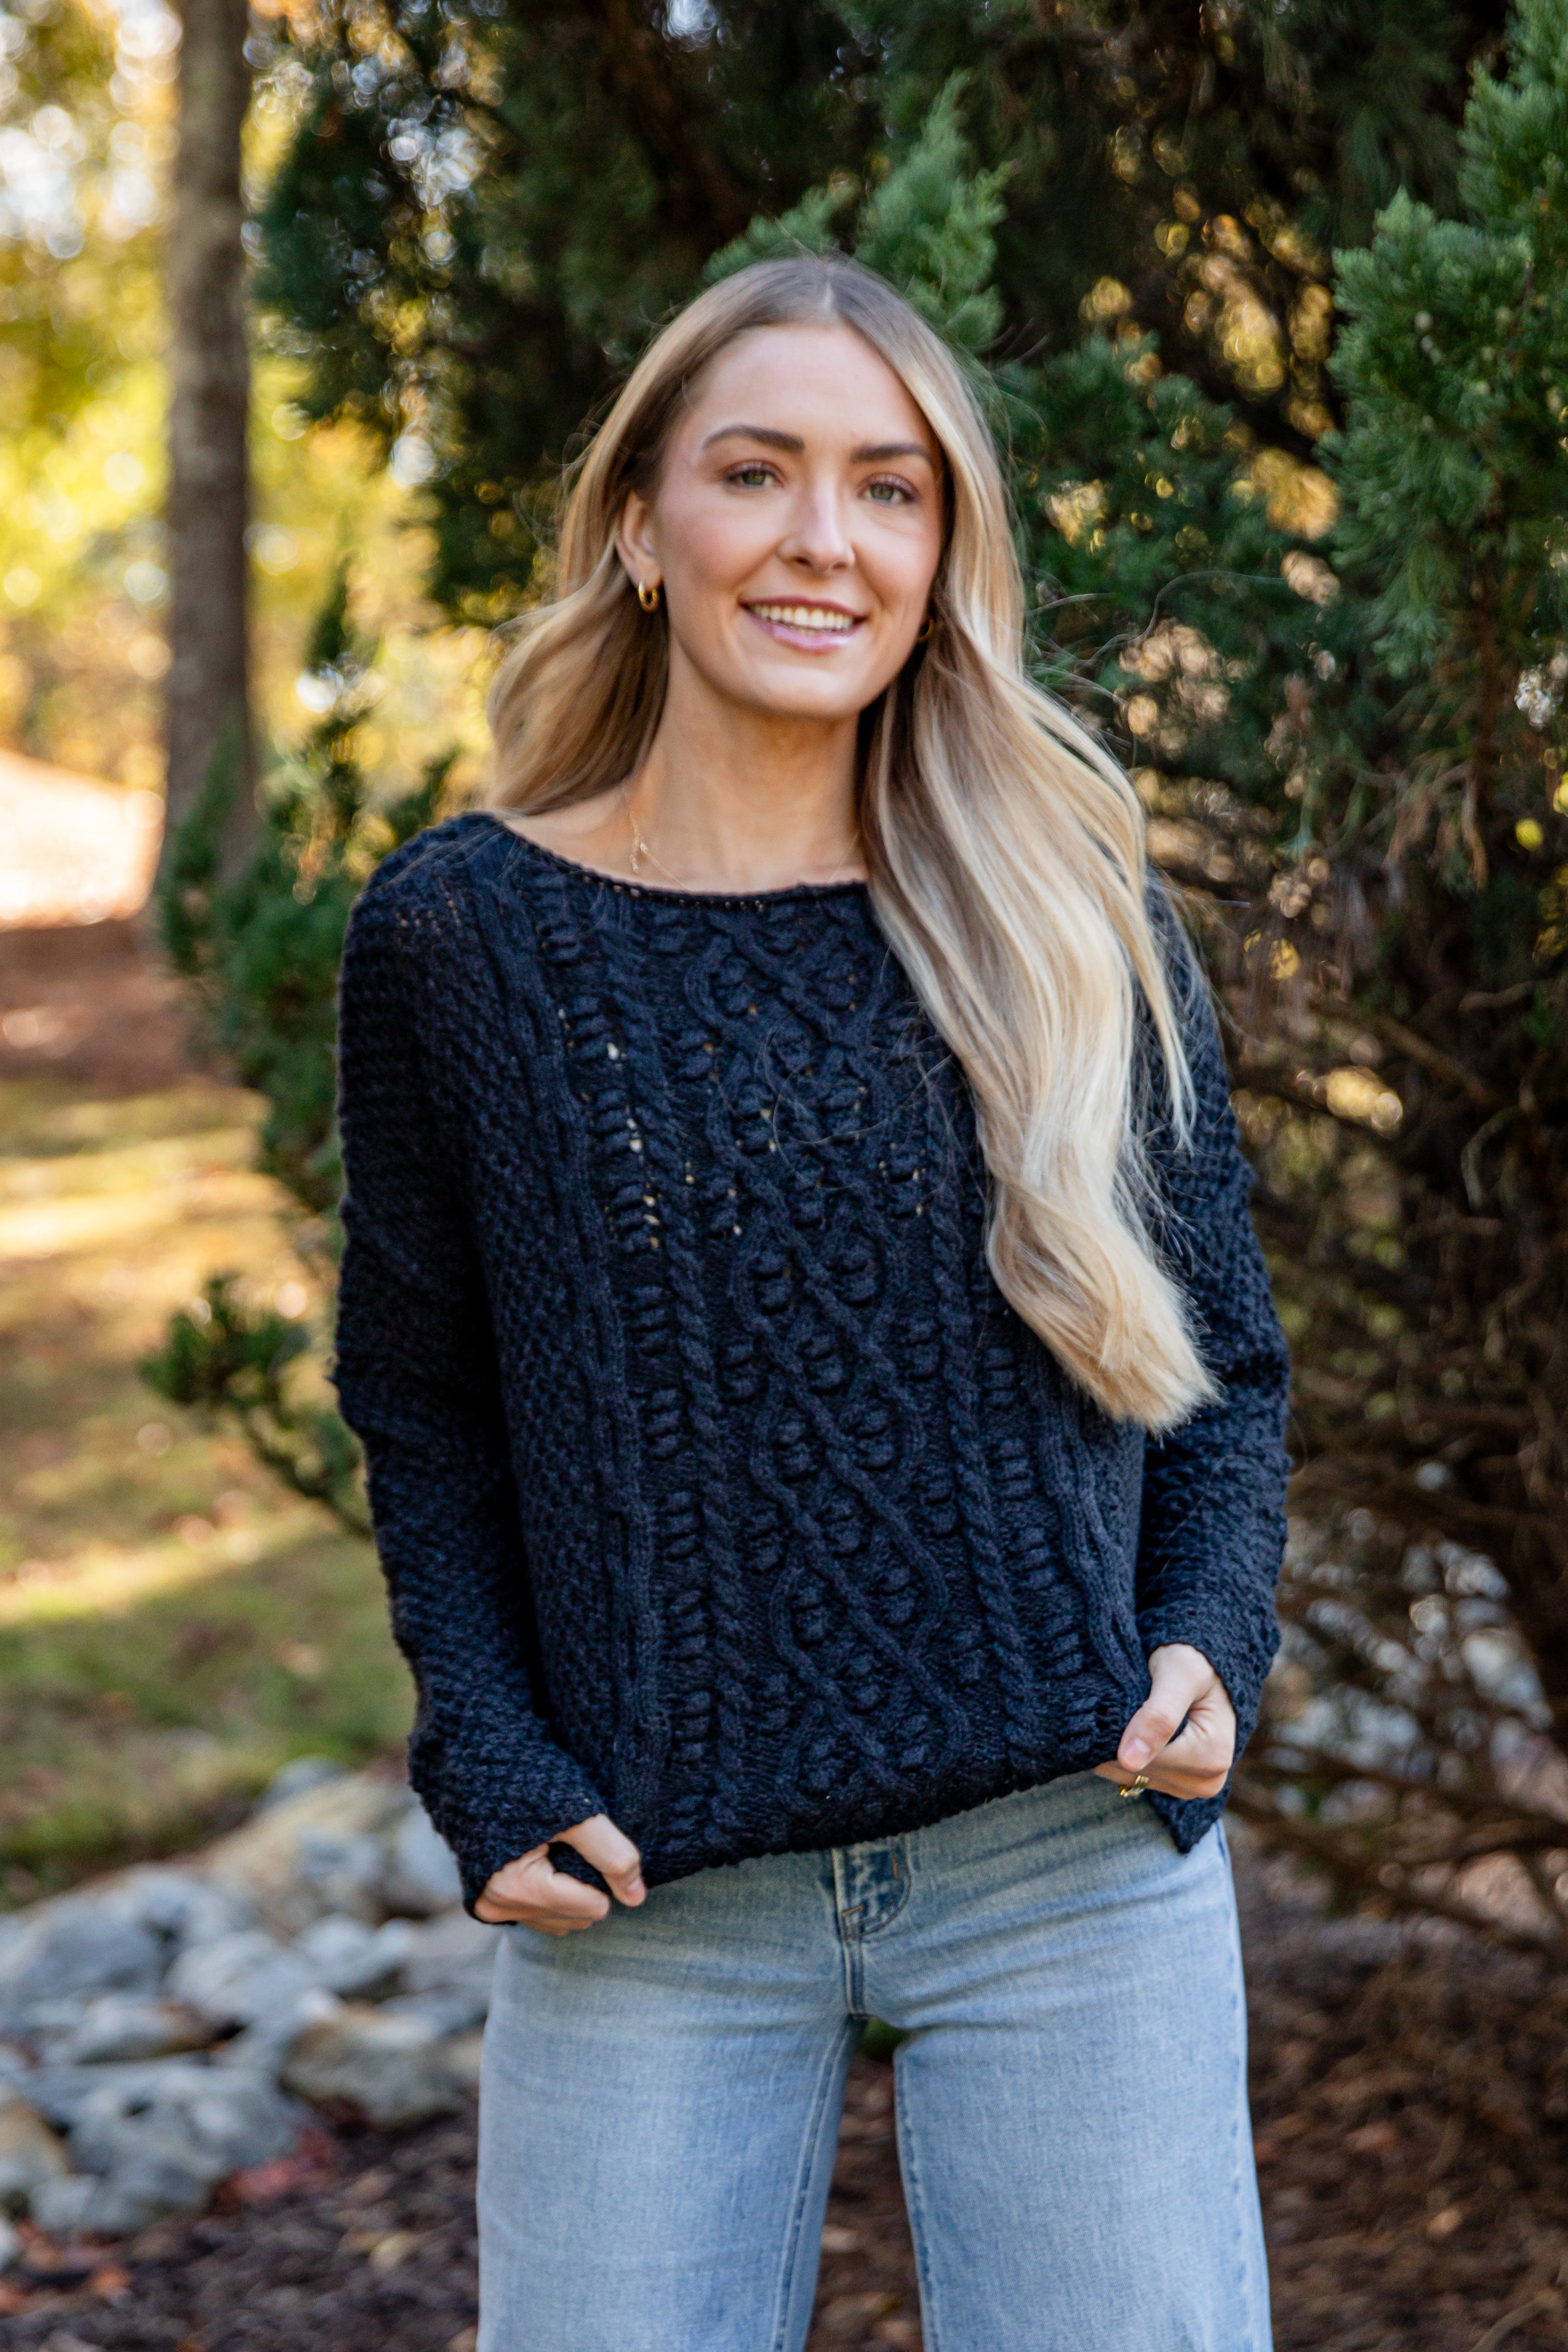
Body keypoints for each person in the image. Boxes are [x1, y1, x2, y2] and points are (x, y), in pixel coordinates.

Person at [331, 255, 1290, 2352]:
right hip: (648, 1896)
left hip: (1069, 1860)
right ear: (637, 524)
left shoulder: (1068, 904)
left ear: (946, 552)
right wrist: (485, 1754)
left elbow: (1217, 1366)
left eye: (889, 488)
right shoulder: (462, 943)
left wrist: (1210, 1632)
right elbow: (426, 1408)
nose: (819, 541)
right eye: (755, 472)